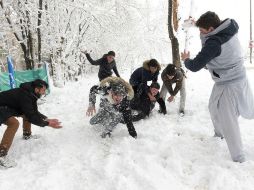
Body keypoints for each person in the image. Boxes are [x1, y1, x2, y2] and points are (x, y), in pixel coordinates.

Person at [181, 11, 254, 162]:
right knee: (213, 107)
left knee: (228, 120)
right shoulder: (228, 28)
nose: (200, 32)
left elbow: (195, 66)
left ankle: (239, 157)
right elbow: (208, 34)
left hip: (230, 84)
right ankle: (219, 134)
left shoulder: (214, 43)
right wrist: (196, 24)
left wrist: (186, 59)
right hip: (227, 79)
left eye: (202, 30)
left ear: (212, 28)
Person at [0, 79, 62, 167]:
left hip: (8, 107)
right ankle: (1, 155)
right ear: (37, 89)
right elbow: (32, 116)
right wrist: (47, 124)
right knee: (14, 124)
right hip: (2, 107)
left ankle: (27, 135)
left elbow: (33, 112)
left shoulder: (31, 94)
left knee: (26, 115)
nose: (44, 92)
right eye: (43, 90)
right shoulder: (25, 95)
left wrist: (47, 119)